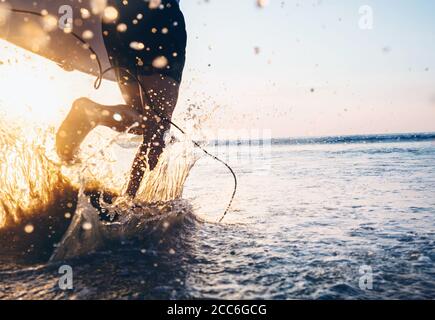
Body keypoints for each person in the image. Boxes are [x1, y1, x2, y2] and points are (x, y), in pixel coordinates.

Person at [56, 0, 186, 198]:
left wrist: (65, 37)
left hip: (117, 17)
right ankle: (128, 202)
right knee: (157, 127)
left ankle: (94, 114)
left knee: (142, 120)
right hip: (161, 17)